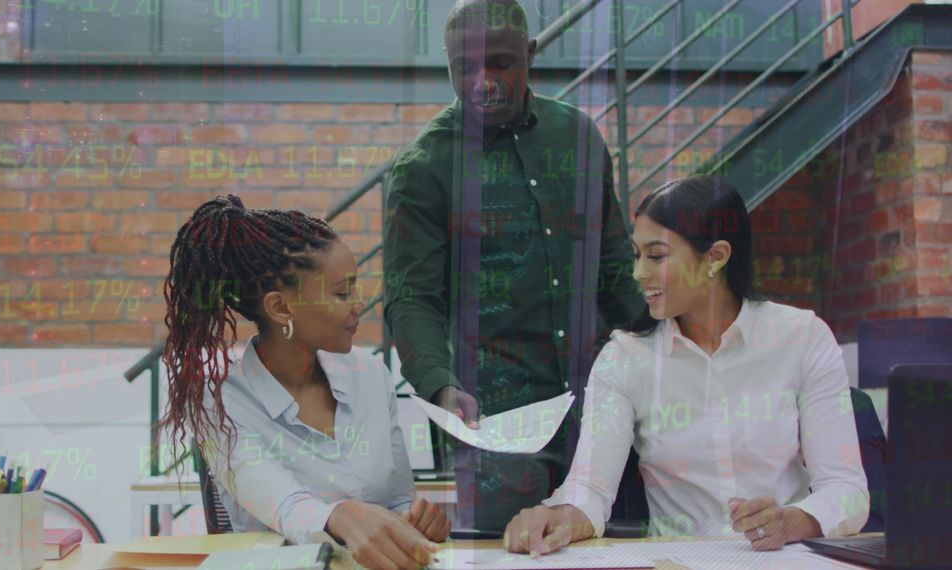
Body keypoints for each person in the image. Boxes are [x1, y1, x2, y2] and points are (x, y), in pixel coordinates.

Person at [503, 175, 869, 554]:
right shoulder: (624, 359)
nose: (638, 273)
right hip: (679, 562)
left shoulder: (801, 337)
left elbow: (847, 490)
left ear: (716, 257)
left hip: (784, 560)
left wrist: (791, 521)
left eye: (656, 256)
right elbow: (591, 488)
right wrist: (558, 516)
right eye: (637, 254)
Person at [383, 0, 644, 531]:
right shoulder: (424, 168)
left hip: (602, 402)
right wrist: (438, 383)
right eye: (464, 67)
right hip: (494, 420)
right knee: (508, 551)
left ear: (530, 54)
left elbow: (615, 265)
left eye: (499, 63)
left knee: (625, 544)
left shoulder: (578, 138)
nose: (482, 82)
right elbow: (412, 298)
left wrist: (665, 348)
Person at [161, 194, 450, 570]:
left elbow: (397, 502)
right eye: (341, 293)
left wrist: (419, 521)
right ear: (280, 308)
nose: (357, 304)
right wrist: (345, 516)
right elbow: (286, 507)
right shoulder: (219, 401)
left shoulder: (371, 376)